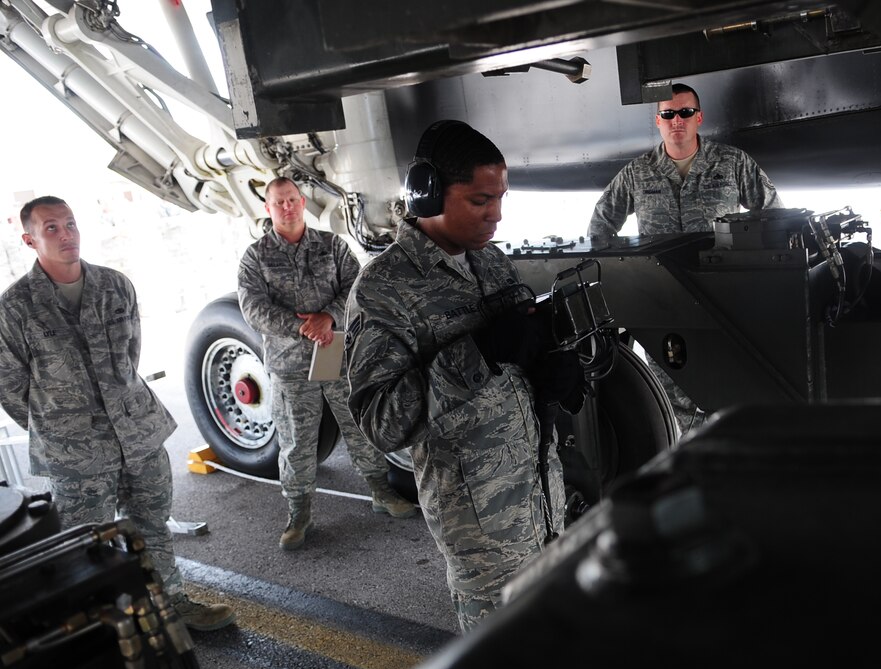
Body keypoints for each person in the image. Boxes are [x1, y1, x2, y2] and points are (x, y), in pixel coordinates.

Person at [344, 120, 583, 632]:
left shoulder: (490, 261)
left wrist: (547, 370)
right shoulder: (383, 288)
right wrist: (478, 354)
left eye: (500, 198)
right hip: (481, 528)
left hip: (542, 498)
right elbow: (381, 423)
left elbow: (518, 353)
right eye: (480, 201)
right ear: (427, 194)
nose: (496, 214)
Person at [0, 196, 235, 632]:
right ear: (29, 240)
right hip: (77, 454)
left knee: (152, 528)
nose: (66, 234)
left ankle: (172, 606)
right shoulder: (14, 307)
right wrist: (60, 429)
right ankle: (108, 628)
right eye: (52, 228)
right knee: (87, 545)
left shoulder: (114, 285)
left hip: (138, 434)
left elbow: (131, 355)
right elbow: (10, 387)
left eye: (70, 223)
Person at [587, 82, 785, 434]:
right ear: (658, 121)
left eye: (685, 112)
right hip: (661, 303)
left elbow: (773, 217)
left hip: (722, 300)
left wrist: (757, 277)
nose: (676, 120)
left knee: (729, 384)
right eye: (668, 114)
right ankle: (692, 454)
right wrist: (622, 280)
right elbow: (600, 227)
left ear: (699, 117)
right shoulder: (637, 172)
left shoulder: (732, 163)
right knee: (673, 390)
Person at [238, 177, 417, 552]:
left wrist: (329, 318)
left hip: (337, 355)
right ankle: (298, 513)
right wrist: (303, 327)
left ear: (302, 202)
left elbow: (356, 287)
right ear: (267, 208)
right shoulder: (256, 256)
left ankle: (381, 492)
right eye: (278, 202)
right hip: (290, 366)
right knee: (296, 443)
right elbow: (253, 308)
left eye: (292, 199)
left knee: (360, 427)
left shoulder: (332, 245)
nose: (287, 207)